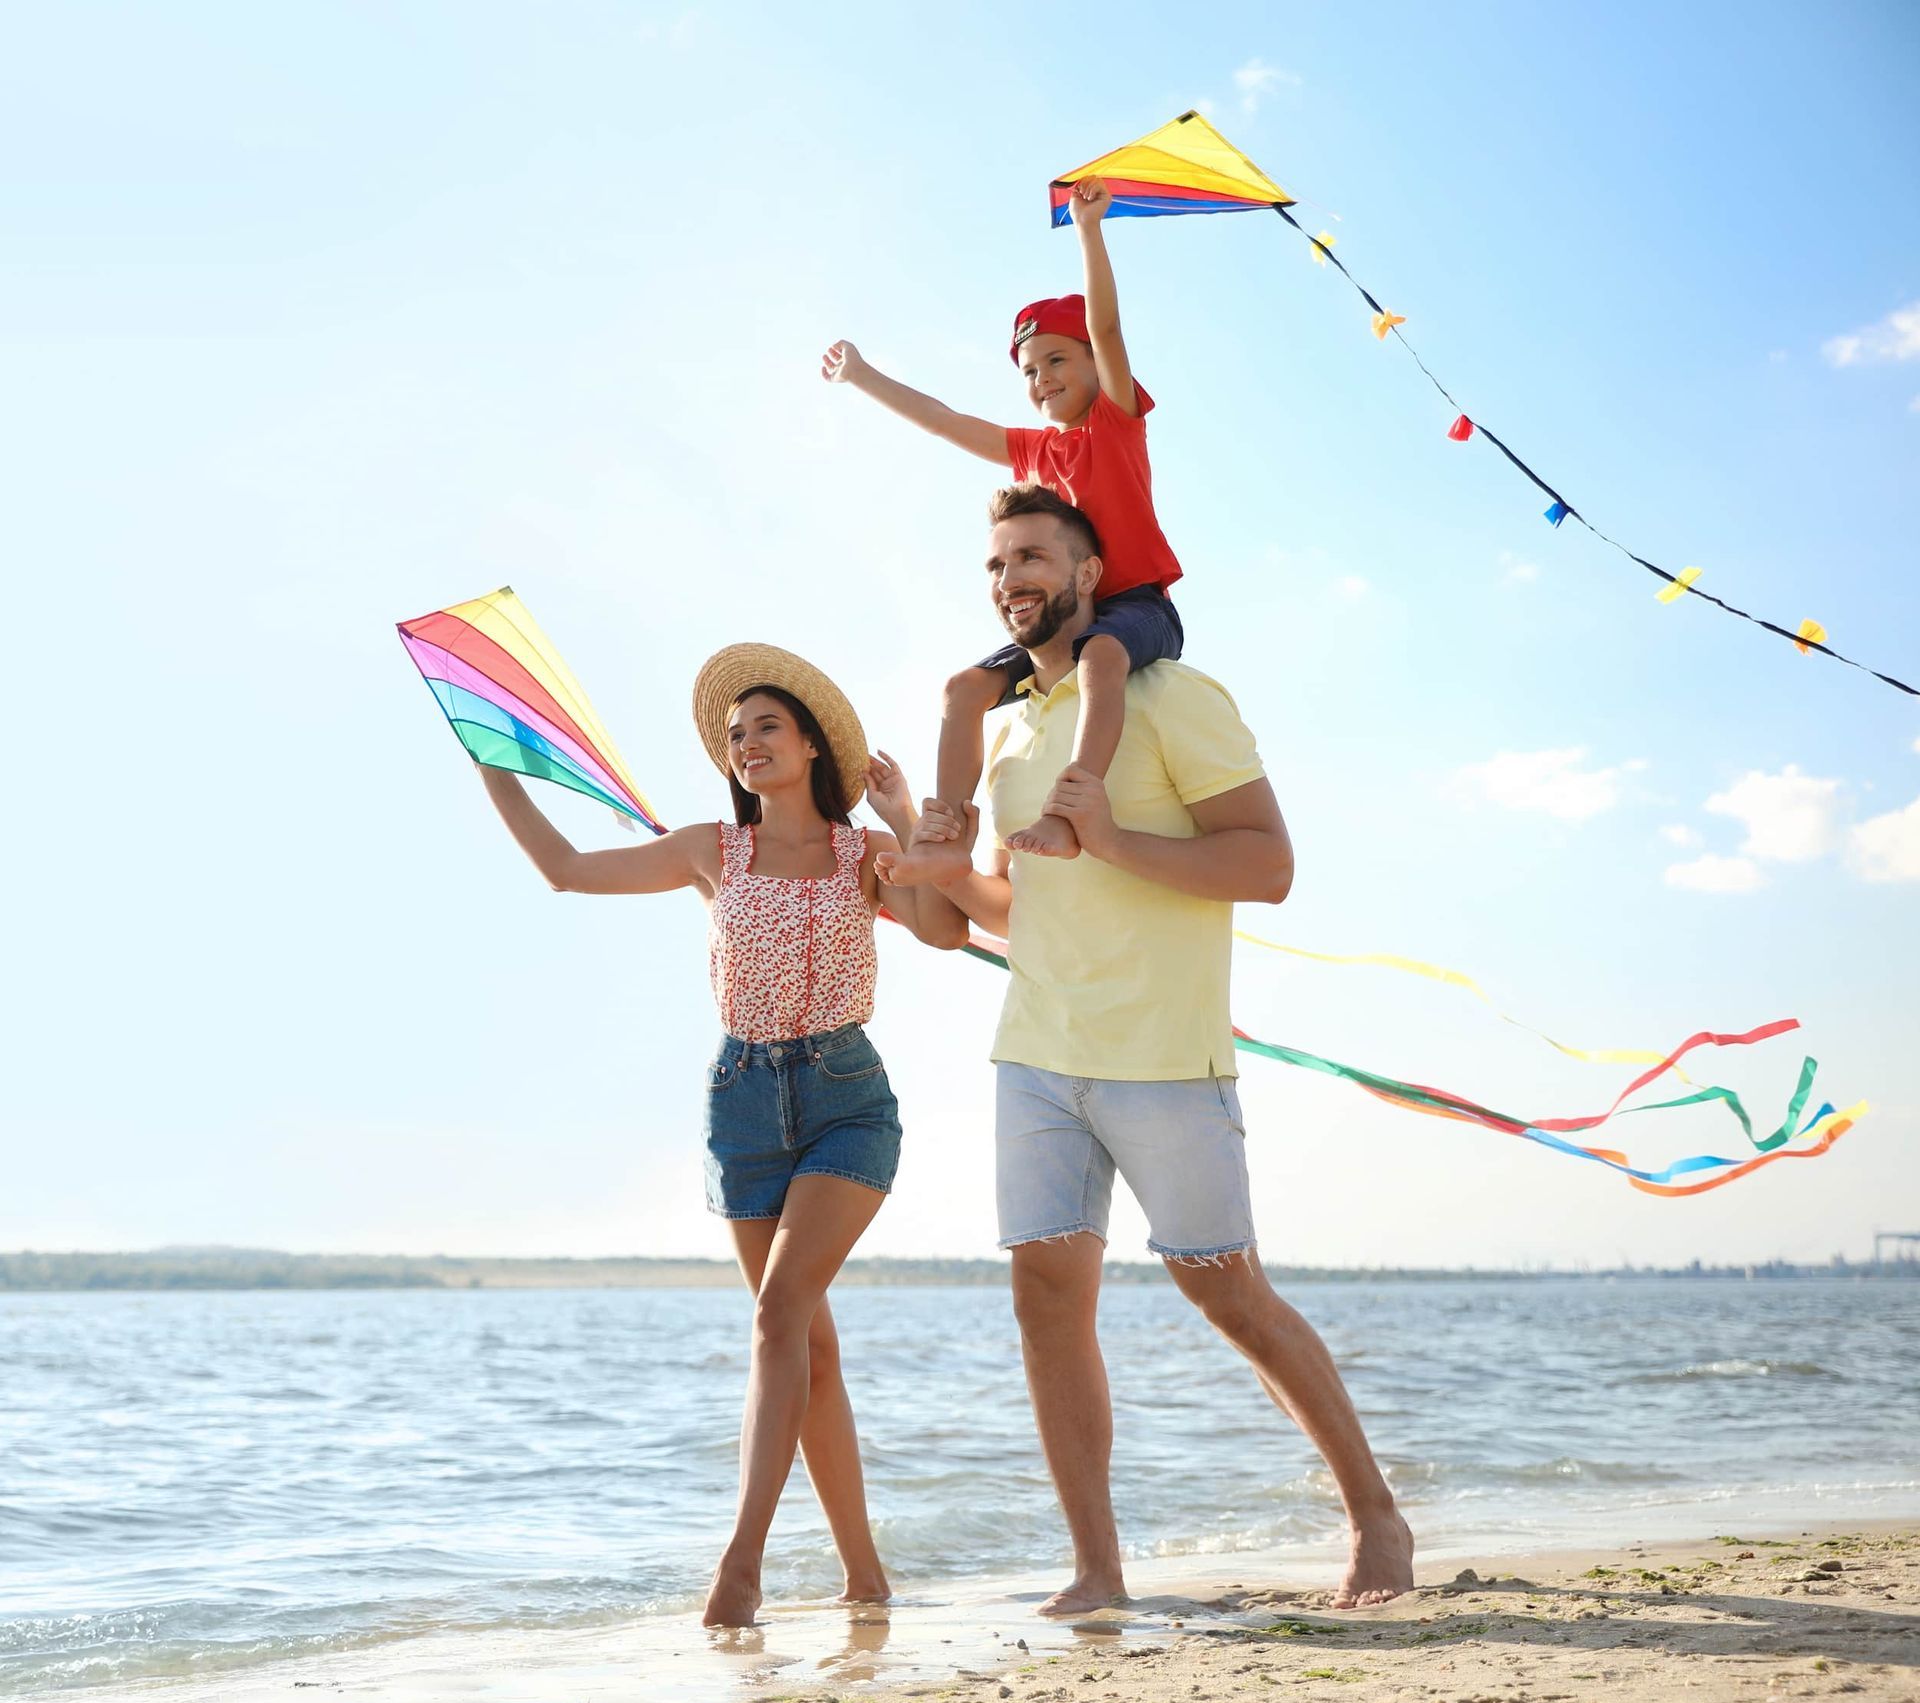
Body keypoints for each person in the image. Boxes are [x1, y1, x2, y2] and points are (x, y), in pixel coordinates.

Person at [895, 485, 1416, 1615]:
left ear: (1090, 576)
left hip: (1167, 1057)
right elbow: (1023, 906)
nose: (1009, 579)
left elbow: (1266, 865)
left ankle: (1375, 1513)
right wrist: (934, 887)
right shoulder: (1013, 734)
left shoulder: (1174, 699)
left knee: (1229, 1297)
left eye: (1032, 556)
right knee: (1044, 1298)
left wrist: (1117, 837)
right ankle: (1098, 1567)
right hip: (1035, 1054)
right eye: (995, 565)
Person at [475, 642, 968, 1627]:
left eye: (766, 727)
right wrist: (502, 772)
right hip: (741, 1102)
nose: (747, 744)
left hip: (844, 1097)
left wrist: (904, 819)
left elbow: (945, 928)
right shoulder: (714, 849)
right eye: (735, 735)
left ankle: (738, 1566)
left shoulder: (860, 852)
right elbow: (568, 871)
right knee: (805, 1345)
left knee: (778, 1316)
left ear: (811, 743)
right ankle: (866, 1578)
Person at [823, 175, 1183, 875]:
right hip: (1068, 615)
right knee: (962, 690)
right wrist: (862, 377)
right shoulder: (1034, 451)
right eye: (1028, 369)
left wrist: (1090, 231)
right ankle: (943, 834)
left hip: (1137, 610)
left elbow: (1106, 329)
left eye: (1056, 360)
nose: (1041, 378)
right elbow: (945, 421)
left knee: (1102, 658)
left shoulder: (1115, 423)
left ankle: (1072, 809)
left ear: (1090, 365)